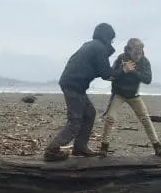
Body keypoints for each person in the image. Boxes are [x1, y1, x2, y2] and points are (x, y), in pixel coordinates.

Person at [43, 23, 132, 161]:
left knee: (90, 113)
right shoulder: (100, 48)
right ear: (107, 37)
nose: (111, 42)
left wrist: (117, 69)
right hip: (74, 85)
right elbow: (105, 74)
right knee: (75, 121)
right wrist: (124, 71)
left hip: (73, 83)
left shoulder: (91, 45)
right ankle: (52, 149)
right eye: (111, 39)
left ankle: (80, 147)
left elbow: (98, 70)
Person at [99, 38, 161, 158]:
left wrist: (134, 71)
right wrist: (123, 70)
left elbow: (148, 79)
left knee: (145, 118)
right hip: (119, 94)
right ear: (129, 50)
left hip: (134, 95)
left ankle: (157, 145)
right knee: (110, 118)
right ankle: (104, 146)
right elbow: (111, 75)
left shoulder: (144, 62)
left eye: (140, 51)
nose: (138, 54)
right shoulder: (121, 59)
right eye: (136, 51)